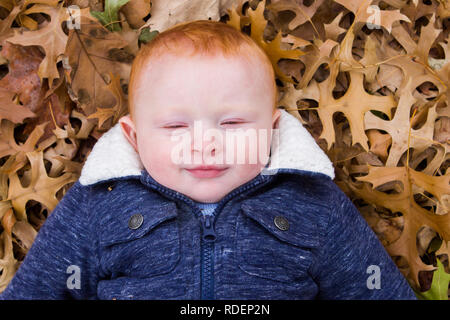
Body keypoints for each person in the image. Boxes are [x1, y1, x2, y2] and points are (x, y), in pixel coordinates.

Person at [0, 20, 416, 299]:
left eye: (232, 123)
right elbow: (36, 291)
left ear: (271, 129)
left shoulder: (313, 204)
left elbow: (377, 291)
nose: (204, 143)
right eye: (176, 127)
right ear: (134, 136)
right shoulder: (98, 206)